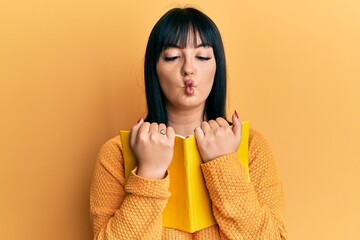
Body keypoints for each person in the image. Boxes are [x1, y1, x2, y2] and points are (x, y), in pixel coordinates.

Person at [90, 7, 287, 240]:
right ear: (154, 69)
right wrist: (149, 173)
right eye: (173, 57)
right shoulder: (117, 153)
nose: (188, 69)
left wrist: (224, 164)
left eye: (202, 57)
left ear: (217, 67)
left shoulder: (251, 144)